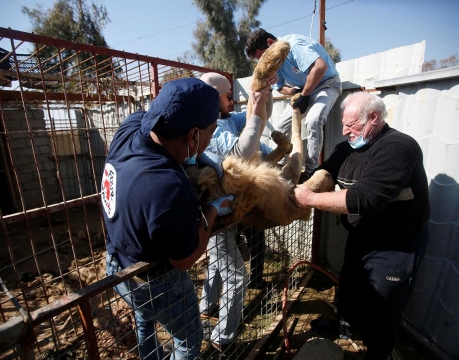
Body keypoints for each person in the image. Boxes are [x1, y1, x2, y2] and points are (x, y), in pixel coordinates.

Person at [102, 78, 233, 360]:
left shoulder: (129, 129)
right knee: (187, 340)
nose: (210, 141)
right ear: (194, 136)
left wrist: (199, 160)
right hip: (156, 282)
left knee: (144, 322)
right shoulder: (170, 187)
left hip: (116, 264)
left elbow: (145, 117)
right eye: (211, 133)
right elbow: (184, 260)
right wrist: (211, 210)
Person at [294, 92, 430, 360]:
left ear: (373, 118)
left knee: (382, 302)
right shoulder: (347, 148)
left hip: (395, 243)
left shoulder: (398, 148)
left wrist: (308, 199)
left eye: (351, 124)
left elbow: (364, 199)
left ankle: (379, 351)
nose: (344, 131)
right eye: (343, 123)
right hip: (362, 234)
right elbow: (325, 172)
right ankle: (343, 327)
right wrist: (298, 179)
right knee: (350, 287)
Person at [198, 72, 276, 349]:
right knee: (236, 274)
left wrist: (263, 93)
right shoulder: (212, 127)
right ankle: (224, 337)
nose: (233, 100)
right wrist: (256, 110)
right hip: (215, 207)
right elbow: (241, 154)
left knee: (219, 261)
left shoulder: (229, 118)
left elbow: (258, 121)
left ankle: (206, 306)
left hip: (229, 206)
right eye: (228, 96)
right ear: (213, 98)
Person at [245, 28, 342, 182]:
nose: (264, 61)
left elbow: (320, 67)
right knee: (281, 128)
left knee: (313, 120)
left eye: (263, 56)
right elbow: (281, 87)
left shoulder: (294, 45)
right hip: (304, 90)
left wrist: (304, 96)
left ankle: (310, 171)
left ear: (270, 43)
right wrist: (294, 91)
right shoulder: (274, 60)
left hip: (326, 84)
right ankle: (280, 167)